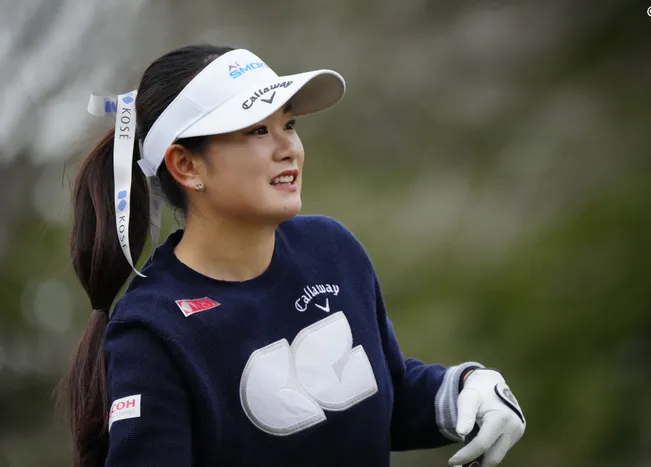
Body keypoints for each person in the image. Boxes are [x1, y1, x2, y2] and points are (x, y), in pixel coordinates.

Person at [57, 44, 526, 467]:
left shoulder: (331, 248)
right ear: (186, 164)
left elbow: (387, 398)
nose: (288, 149)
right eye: (258, 130)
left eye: (289, 125)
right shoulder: (153, 327)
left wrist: (468, 389)